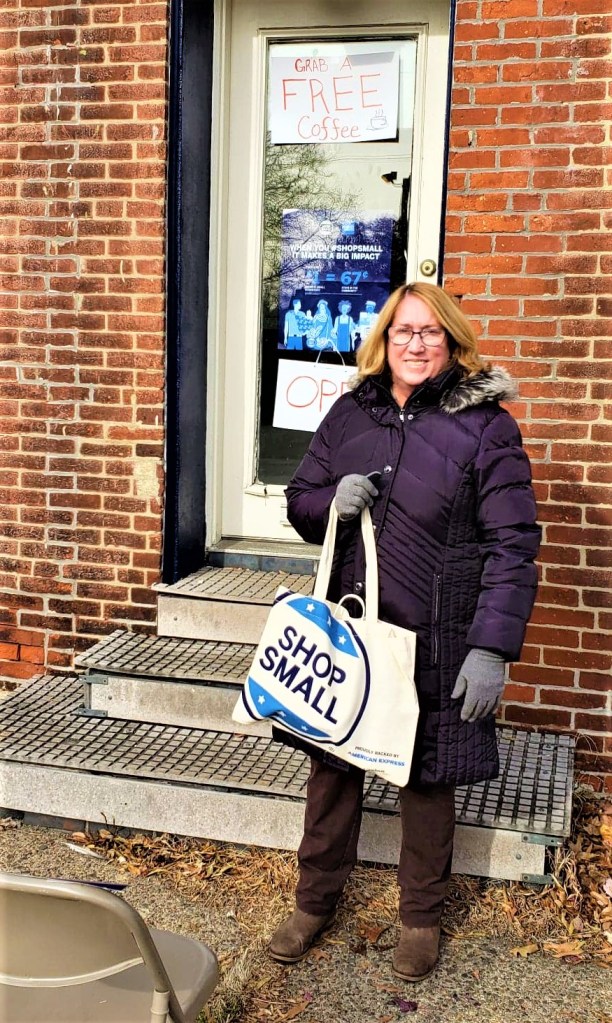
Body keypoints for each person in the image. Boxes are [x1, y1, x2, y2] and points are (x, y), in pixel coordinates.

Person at [268, 281, 541, 981]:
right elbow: (299, 502)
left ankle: (420, 918)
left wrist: (491, 648)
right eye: (403, 331)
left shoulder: (486, 427)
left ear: (451, 341)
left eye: (429, 332)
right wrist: (332, 501)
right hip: (352, 632)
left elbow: (513, 544)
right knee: (332, 774)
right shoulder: (349, 413)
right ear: (384, 341)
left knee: (426, 781)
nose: (416, 344)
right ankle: (313, 902)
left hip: (437, 637)